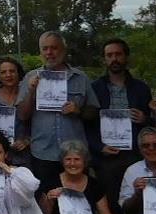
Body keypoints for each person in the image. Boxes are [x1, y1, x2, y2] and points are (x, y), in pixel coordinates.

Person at [16, 31, 100, 188]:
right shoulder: (30, 77)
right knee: (47, 202)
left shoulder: (80, 78)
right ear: (40, 52)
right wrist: (32, 92)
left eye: (54, 48)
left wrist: (78, 110)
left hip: (75, 155)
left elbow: (94, 113)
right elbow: (22, 115)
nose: (49, 53)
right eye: (45, 48)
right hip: (43, 153)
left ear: (63, 50)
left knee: (77, 203)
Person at [91, 38, 151, 208]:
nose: (114, 59)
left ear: (126, 57)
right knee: (110, 201)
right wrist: (99, 147)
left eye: (118, 54)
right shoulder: (94, 88)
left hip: (135, 153)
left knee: (138, 199)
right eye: (109, 55)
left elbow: (152, 123)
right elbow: (87, 124)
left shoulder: (141, 88)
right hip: (107, 155)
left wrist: (145, 119)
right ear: (104, 59)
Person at [0, 56, 34, 167]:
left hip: (24, 156)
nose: (8, 75)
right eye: (3, 72)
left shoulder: (29, 95)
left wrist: (27, 141)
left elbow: (39, 121)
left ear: (19, 73)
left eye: (12, 71)